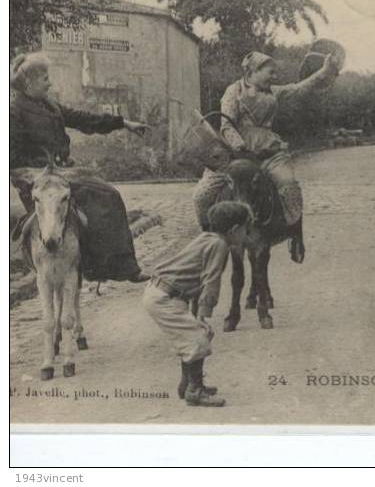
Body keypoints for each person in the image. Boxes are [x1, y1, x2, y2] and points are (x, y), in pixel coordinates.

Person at [10, 51, 149, 283]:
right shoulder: (13, 111)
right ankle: (116, 268)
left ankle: (109, 265)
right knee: (107, 196)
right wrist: (37, 174)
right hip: (37, 179)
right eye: (45, 78)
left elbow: (84, 119)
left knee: (107, 195)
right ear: (29, 82)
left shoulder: (49, 105)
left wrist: (123, 123)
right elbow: (11, 159)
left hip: (61, 173)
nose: (50, 82)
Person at [193, 44, 343, 237]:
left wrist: (324, 70)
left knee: (289, 185)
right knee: (202, 195)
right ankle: (207, 235)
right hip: (235, 153)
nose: (274, 77)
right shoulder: (233, 91)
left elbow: (299, 88)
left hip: (269, 152)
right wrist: (240, 148)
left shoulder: (274, 92)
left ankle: (294, 232)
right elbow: (227, 126)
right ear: (253, 71)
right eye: (270, 73)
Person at [142, 201, 251, 407]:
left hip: (160, 292)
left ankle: (188, 384)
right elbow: (210, 281)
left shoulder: (206, 238)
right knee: (197, 338)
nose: (247, 233)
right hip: (165, 297)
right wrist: (203, 315)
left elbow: (196, 277)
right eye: (246, 228)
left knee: (195, 336)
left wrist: (198, 315)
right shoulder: (219, 245)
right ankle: (195, 391)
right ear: (235, 229)